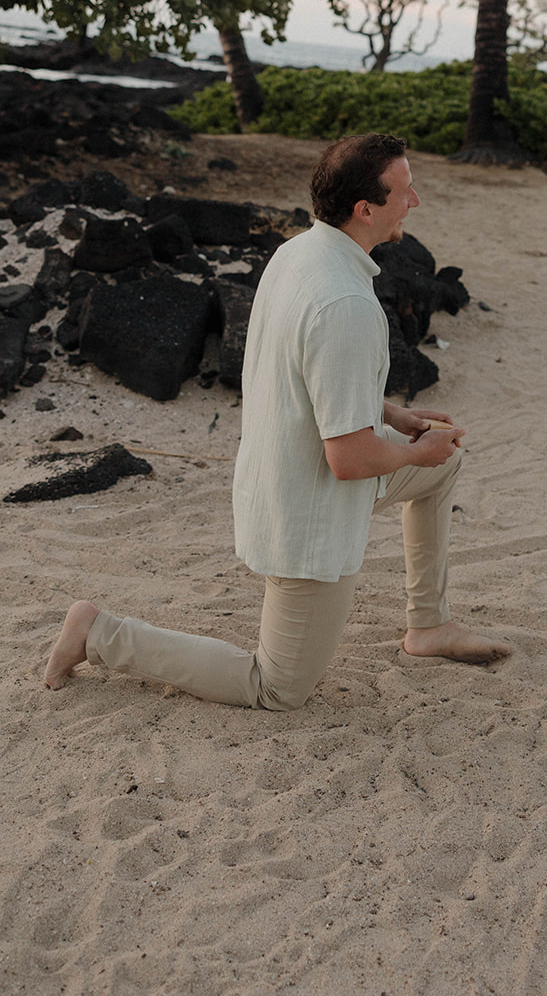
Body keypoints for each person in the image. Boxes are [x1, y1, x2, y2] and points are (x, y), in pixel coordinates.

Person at [45, 132, 509, 706]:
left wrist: (391, 412)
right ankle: (98, 633)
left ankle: (429, 625)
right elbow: (349, 459)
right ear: (365, 209)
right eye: (405, 191)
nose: (414, 201)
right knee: (277, 687)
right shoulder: (347, 305)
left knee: (444, 466)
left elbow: (304, 377)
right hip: (307, 517)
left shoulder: (297, 254)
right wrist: (416, 451)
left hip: (281, 475)